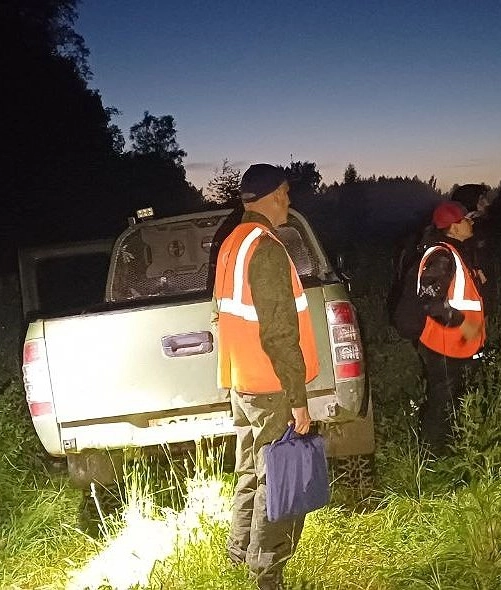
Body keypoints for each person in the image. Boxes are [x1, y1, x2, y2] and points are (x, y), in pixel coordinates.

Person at [214, 163, 320, 590]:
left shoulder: (232, 242)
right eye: (287, 194)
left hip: (243, 380)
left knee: (252, 473)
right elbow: (279, 333)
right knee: (282, 479)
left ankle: (239, 553)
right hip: (272, 385)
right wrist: (299, 400)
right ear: (275, 194)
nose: (290, 203)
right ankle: (267, 573)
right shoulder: (268, 248)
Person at [414, 200, 486, 455]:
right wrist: (463, 324)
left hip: (455, 344)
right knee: (442, 403)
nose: (471, 222)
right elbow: (430, 302)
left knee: (451, 400)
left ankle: (447, 450)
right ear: (453, 228)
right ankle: (432, 458)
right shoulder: (442, 255)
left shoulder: (454, 252)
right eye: (466, 219)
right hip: (443, 344)